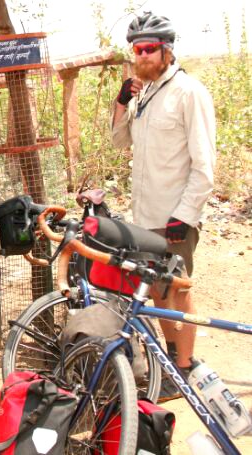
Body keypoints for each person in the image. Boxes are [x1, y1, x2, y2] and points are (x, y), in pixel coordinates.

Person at [111, 12, 215, 402]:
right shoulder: (146, 92)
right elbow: (120, 142)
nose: (141, 57)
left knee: (178, 290)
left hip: (174, 218)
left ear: (167, 51)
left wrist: (183, 217)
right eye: (136, 50)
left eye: (148, 49)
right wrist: (122, 102)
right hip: (146, 217)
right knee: (158, 291)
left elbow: (204, 167)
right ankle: (173, 364)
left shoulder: (189, 92)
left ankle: (185, 365)